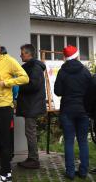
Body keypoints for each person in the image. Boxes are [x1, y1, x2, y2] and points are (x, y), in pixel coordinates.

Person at [0, 35, 29, 182]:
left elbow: (24, 78)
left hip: (4, 107)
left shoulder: (8, 60)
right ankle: (4, 172)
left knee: (4, 141)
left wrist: (7, 82)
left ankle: (6, 174)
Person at [54, 45, 91, 180]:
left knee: (69, 141)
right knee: (83, 142)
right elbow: (91, 91)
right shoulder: (85, 72)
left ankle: (70, 172)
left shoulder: (62, 72)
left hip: (67, 110)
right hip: (83, 110)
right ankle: (83, 171)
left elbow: (57, 92)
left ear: (65, 58)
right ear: (77, 56)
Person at [16, 44, 46, 169]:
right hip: (30, 105)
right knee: (30, 132)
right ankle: (31, 157)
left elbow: (34, 85)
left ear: (29, 54)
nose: (20, 55)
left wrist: (18, 85)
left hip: (32, 105)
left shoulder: (34, 67)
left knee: (30, 132)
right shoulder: (31, 66)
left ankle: (34, 159)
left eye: (22, 53)